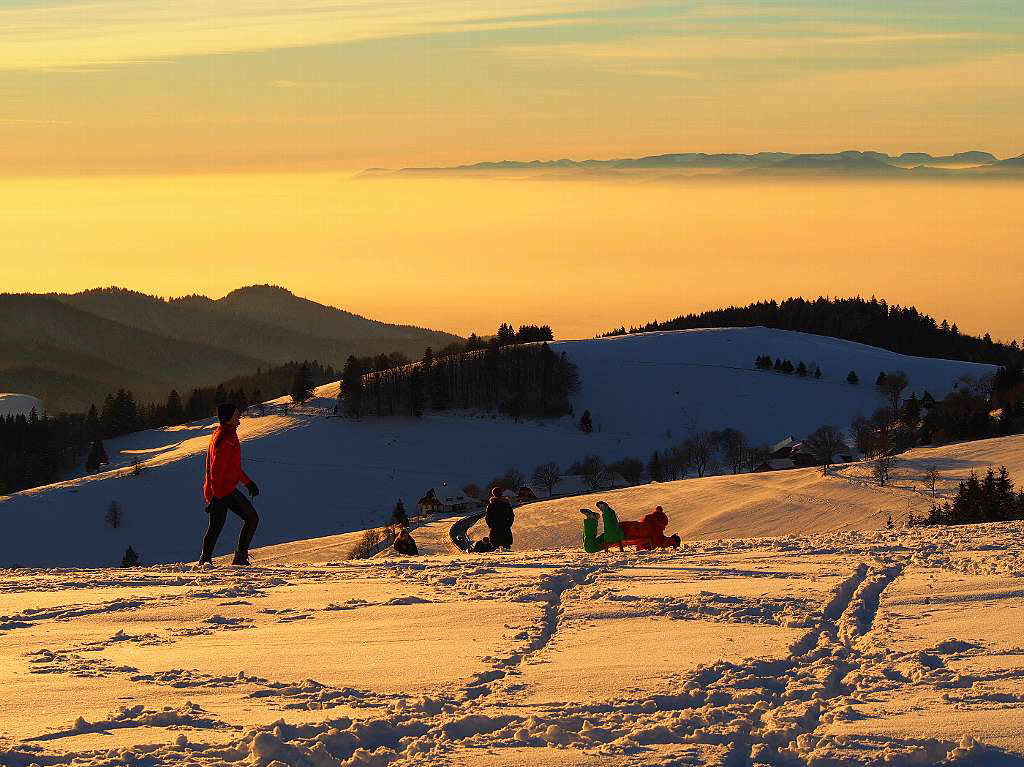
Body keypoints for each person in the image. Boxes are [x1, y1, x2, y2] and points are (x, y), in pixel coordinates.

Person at [198, 403, 260, 567]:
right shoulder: (228, 437)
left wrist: (248, 483)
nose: (239, 416)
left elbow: (231, 467)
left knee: (216, 525)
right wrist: (217, 496)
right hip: (223, 490)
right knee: (252, 518)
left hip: (216, 490)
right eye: (236, 414)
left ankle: (205, 560)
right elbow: (218, 468)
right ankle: (239, 558)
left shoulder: (221, 434)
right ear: (229, 417)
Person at [581, 500, 679, 553]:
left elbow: (646, 545)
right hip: (620, 533)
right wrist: (674, 540)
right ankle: (607, 511)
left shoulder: (647, 524)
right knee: (611, 536)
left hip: (616, 532)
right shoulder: (655, 528)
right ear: (661, 523)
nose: (663, 528)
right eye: (664, 526)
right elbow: (661, 541)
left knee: (590, 548)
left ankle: (592, 519)